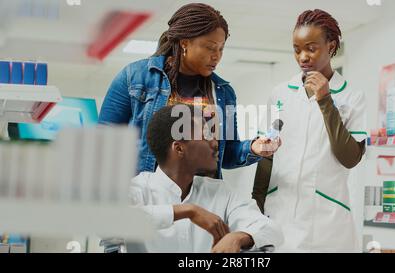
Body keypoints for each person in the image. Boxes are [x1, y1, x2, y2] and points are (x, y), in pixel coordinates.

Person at [99, 3, 279, 178]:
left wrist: (254, 148)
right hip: (147, 196)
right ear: (185, 43)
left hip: (201, 198)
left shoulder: (223, 93)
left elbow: (227, 154)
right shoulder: (135, 77)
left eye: (221, 48)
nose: (217, 56)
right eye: (210, 47)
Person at [252, 9, 367, 252]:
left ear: (331, 46)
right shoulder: (280, 94)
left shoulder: (352, 96)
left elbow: (350, 158)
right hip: (279, 216)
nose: (303, 56)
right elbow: (268, 154)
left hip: (327, 223)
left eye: (311, 48)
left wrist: (325, 101)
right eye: (296, 49)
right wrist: (256, 208)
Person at [129, 105, 283, 253]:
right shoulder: (138, 189)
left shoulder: (220, 191)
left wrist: (238, 237)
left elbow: (271, 230)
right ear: (179, 148)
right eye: (206, 136)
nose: (215, 143)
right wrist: (189, 211)